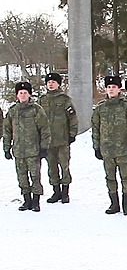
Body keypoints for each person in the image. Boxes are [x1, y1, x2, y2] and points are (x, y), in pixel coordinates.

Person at [92, 75, 127, 215]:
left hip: (124, 150)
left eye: (114, 87)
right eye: (109, 87)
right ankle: (114, 204)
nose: (111, 90)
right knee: (110, 178)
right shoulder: (100, 108)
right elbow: (95, 129)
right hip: (107, 150)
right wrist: (96, 147)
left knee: (126, 178)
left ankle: (126, 204)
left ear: (119, 89)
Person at [3, 82, 51, 212]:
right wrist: (6, 148)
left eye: (25, 93)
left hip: (33, 151)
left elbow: (44, 129)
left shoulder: (36, 110)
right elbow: (7, 130)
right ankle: (26, 200)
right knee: (22, 177)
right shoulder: (13, 111)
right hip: (19, 151)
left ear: (29, 94)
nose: (23, 95)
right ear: (17, 95)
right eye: (20, 93)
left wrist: (44, 147)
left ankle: (36, 202)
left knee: (35, 177)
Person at [39, 73, 78, 204]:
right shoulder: (42, 100)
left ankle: (65, 192)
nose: (50, 84)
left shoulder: (65, 99)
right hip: (48, 141)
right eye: (48, 82)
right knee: (52, 167)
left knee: (64, 166)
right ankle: (56, 191)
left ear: (58, 84)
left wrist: (72, 134)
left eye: (53, 82)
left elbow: (72, 118)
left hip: (62, 139)